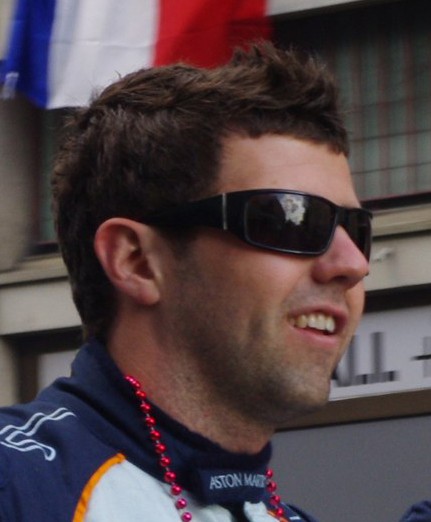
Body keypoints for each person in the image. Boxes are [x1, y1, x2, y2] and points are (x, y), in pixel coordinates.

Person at [0, 42, 371, 521]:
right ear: (135, 261)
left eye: (357, 230)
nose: (352, 263)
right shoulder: (16, 486)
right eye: (290, 219)